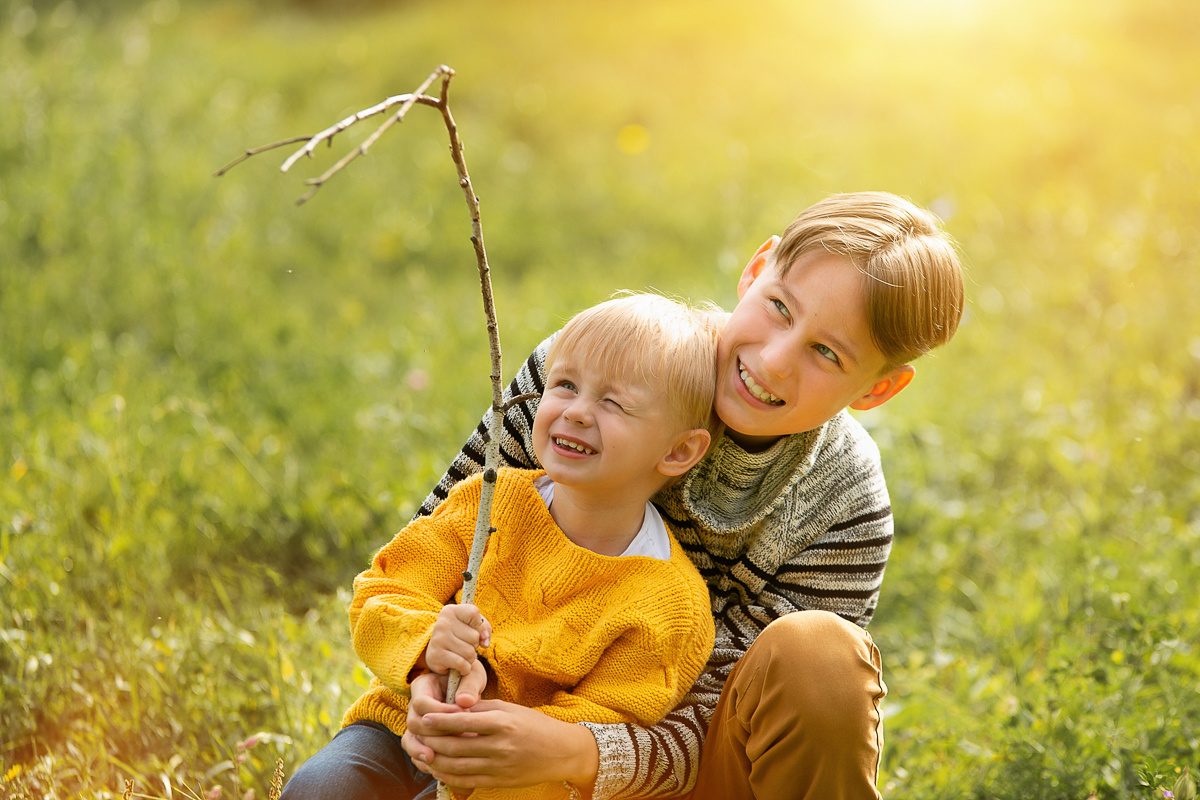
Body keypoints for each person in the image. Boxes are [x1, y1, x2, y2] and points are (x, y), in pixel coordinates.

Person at [402, 191, 966, 800]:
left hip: (688, 775)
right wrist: (425, 673)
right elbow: (439, 542)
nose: (774, 362)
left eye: (827, 353)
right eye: (780, 307)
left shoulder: (845, 503)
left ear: (878, 389)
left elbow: (732, 717)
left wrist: (571, 751)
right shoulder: (589, 373)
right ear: (756, 268)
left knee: (821, 659)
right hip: (484, 714)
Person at [281, 294, 723, 800]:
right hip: (404, 725)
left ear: (678, 450)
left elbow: (608, 721)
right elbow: (386, 588)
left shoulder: (671, 604)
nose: (576, 412)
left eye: (613, 402)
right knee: (318, 789)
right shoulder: (488, 500)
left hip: (516, 778)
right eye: (565, 385)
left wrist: (488, 730)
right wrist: (427, 654)